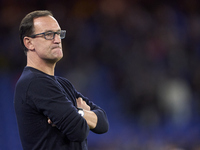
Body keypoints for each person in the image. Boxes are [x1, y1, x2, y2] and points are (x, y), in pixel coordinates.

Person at [14, 10, 109, 150]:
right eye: (48, 34)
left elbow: (103, 123)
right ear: (29, 43)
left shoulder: (63, 84)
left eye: (58, 33)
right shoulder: (34, 82)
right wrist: (82, 114)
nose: (57, 40)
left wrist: (77, 112)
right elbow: (79, 131)